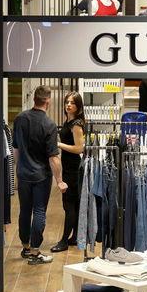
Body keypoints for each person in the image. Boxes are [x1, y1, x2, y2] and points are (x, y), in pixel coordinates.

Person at [13, 85, 67, 265]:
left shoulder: (20, 118)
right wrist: (59, 180)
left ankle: (26, 247)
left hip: (23, 174)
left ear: (34, 99)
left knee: (24, 211)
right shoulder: (49, 125)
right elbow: (53, 157)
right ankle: (35, 253)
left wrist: (18, 169)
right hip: (41, 176)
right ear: (48, 101)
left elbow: (16, 149)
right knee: (39, 211)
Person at [51, 91, 86, 252]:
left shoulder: (76, 124)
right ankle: (74, 237)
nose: (68, 105)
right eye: (67, 102)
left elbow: (79, 148)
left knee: (69, 205)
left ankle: (64, 240)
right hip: (69, 166)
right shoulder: (69, 121)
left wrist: (59, 145)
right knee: (74, 204)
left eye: (72, 102)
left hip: (73, 168)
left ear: (78, 106)